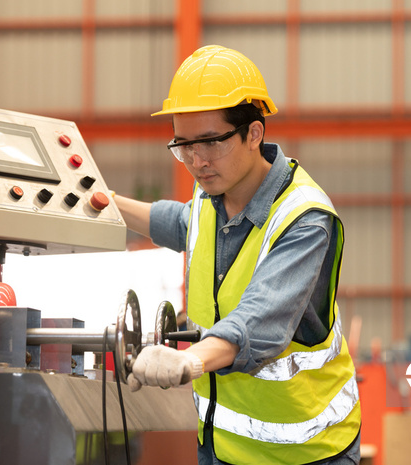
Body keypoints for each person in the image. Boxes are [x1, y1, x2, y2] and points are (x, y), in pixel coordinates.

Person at [116, 45, 361, 465]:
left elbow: (259, 321)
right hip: (222, 446)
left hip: (305, 452)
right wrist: (102, 202)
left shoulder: (304, 219)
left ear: (254, 134)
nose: (196, 161)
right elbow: (181, 223)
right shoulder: (214, 193)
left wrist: (188, 360)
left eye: (210, 142)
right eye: (184, 145)